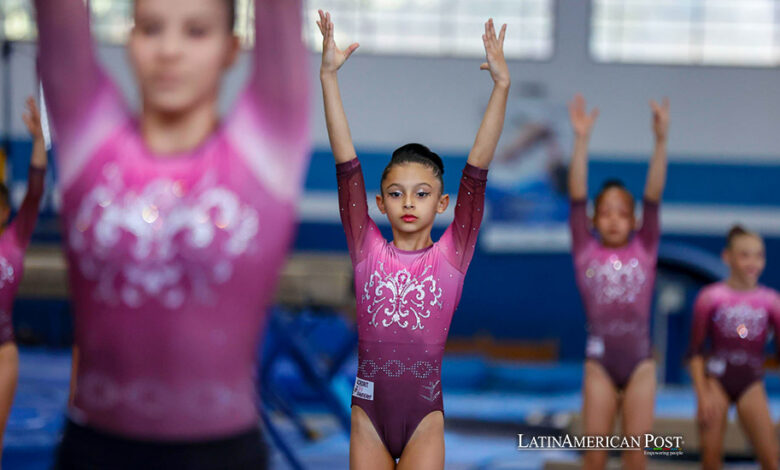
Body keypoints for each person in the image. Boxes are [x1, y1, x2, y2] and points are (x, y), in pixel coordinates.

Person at [34, 0, 310, 467]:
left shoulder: (266, 143)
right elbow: (57, 16)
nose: (169, 50)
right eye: (151, 29)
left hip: (222, 455)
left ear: (231, 48)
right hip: (96, 452)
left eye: (196, 32)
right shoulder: (90, 138)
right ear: (130, 40)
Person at [567, 94, 669, 469]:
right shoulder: (585, 250)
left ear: (635, 221)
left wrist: (660, 141)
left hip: (641, 363)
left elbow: (654, 196)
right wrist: (581, 140)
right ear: (593, 220)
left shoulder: (645, 247)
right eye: (605, 212)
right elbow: (577, 196)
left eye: (622, 213)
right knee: (593, 459)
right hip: (600, 364)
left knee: (636, 459)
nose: (613, 219)